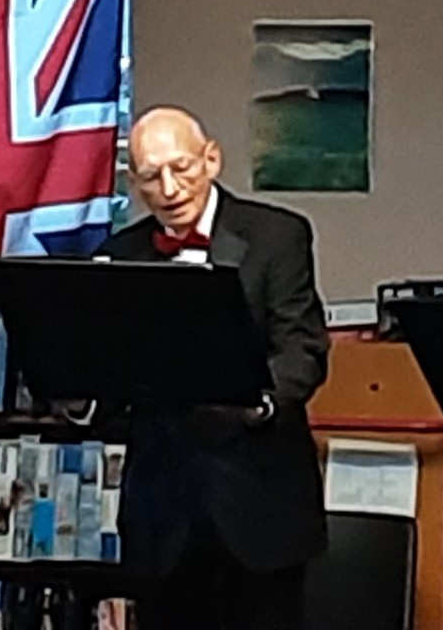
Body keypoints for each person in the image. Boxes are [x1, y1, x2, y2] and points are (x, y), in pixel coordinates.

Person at [97, 106, 329, 630]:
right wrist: (82, 393)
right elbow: (113, 376)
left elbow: (302, 349)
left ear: (212, 159)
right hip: (162, 515)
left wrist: (257, 402)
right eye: (151, 177)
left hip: (260, 504)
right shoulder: (119, 254)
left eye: (181, 168)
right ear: (133, 183)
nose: (170, 189)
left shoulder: (277, 236)